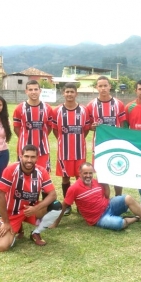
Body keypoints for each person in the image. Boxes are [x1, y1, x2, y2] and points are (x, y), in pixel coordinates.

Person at [51, 162, 141, 232]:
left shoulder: (96, 182)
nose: (88, 176)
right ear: (80, 174)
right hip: (98, 218)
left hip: (108, 206)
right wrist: (55, 223)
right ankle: (136, 218)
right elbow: (64, 205)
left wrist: (104, 182)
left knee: (128, 198)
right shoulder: (74, 188)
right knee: (119, 224)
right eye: (85, 173)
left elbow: (107, 196)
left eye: (90, 173)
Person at [0, 144, 61, 251]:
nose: (29, 160)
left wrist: (36, 208)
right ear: (21, 156)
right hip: (13, 213)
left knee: (56, 206)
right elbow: (0, 195)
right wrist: (6, 222)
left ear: (37, 158)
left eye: (32, 157)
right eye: (26, 156)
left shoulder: (41, 171)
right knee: (3, 247)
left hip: (31, 209)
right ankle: (12, 225)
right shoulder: (11, 170)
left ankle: (36, 232)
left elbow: (53, 195)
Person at [52, 83, 90, 216]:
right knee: (65, 178)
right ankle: (67, 205)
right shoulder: (57, 111)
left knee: (81, 178)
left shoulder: (84, 110)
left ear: (76, 94)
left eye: (72, 92)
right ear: (63, 93)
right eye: (67, 92)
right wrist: (64, 140)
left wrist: (77, 139)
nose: (69, 94)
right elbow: (55, 130)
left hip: (79, 151)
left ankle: (81, 204)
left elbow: (85, 130)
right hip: (64, 152)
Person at [86, 76, 126, 196]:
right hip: (99, 146)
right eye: (100, 86)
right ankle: (105, 199)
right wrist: (92, 127)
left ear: (110, 86)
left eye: (105, 85)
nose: (103, 88)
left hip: (116, 145)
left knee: (118, 171)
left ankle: (118, 198)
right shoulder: (91, 105)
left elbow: (123, 125)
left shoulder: (118, 104)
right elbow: (89, 126)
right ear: (96, 87)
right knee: (102, 173)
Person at [13, 80, 53, 172]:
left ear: (40, 90)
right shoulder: (20, 108)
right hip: (24, 148)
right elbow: (16, 128)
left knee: (43, 174)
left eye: (36, 89)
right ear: (26, 91)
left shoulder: (47, 108)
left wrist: (41, 136)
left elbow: (49, 127)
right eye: (30, 90)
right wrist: (25, 137)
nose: (33, 92)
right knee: (23, 174)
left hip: (42, 148)